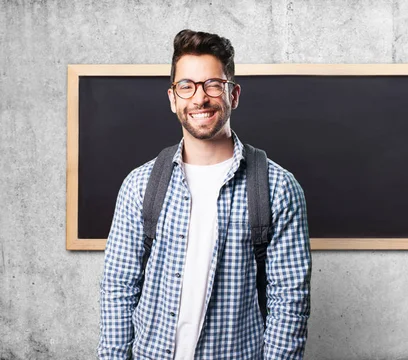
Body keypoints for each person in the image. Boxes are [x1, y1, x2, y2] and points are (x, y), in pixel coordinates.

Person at [97, 29, 311, 360]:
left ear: (233, 95)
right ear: (173, 98)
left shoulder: (277, 187)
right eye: (187, 86)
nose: (199, 98)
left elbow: (289, 300)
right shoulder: (140, 185)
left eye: (213, 84)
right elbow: (118, 289)